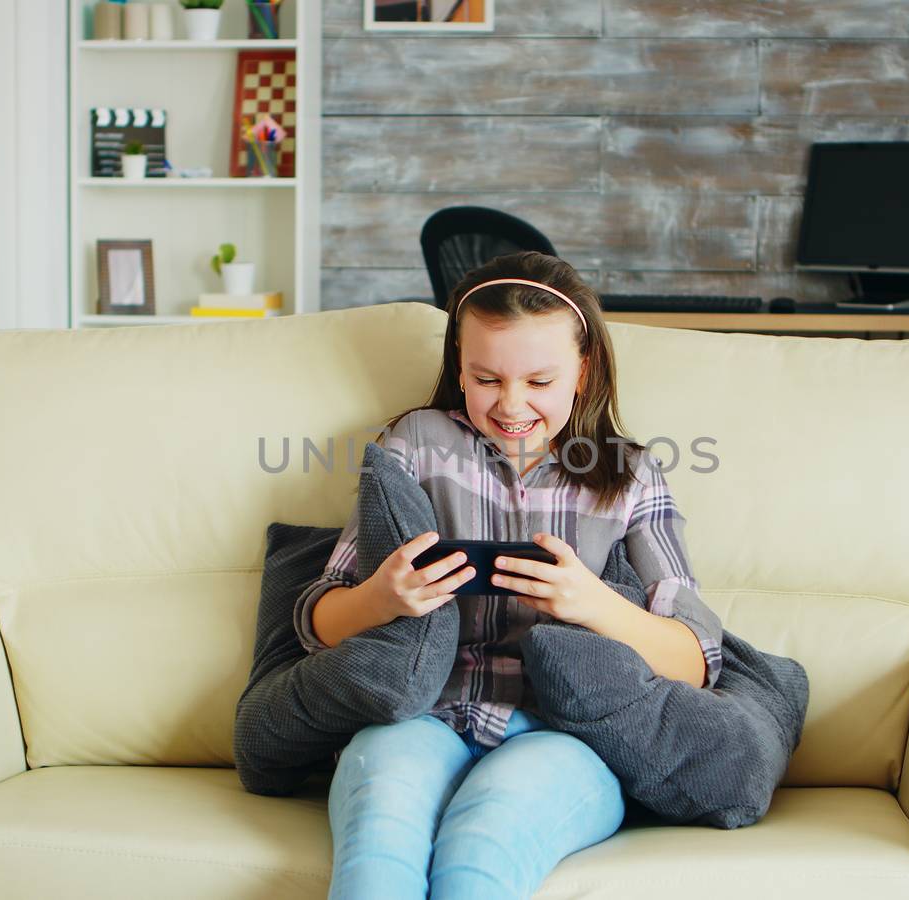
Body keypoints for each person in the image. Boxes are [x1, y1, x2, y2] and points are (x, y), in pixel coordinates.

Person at [292, 251, 725, 899]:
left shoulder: (630, 476)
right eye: (486, 378)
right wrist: (381, 598)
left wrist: (592, 602)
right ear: (457, 371)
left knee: (479, 854)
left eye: (540, 381)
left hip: (562, 735)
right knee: (380, 842)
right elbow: (317, 620)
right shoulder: (416, 443)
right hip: (421, 718)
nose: (512, 405)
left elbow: (695, 660)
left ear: (582, 372)